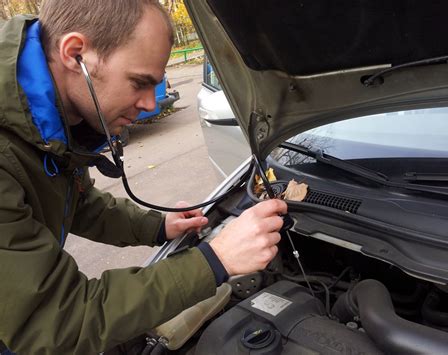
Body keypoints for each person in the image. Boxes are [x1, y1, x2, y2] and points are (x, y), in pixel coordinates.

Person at [0, 0, 287, 353]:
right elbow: (56, 321)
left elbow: (80, 204)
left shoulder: (43, 121)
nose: (151, 105)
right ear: (75, 54)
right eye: (139, 82)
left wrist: (157, 226)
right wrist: (213, 261)